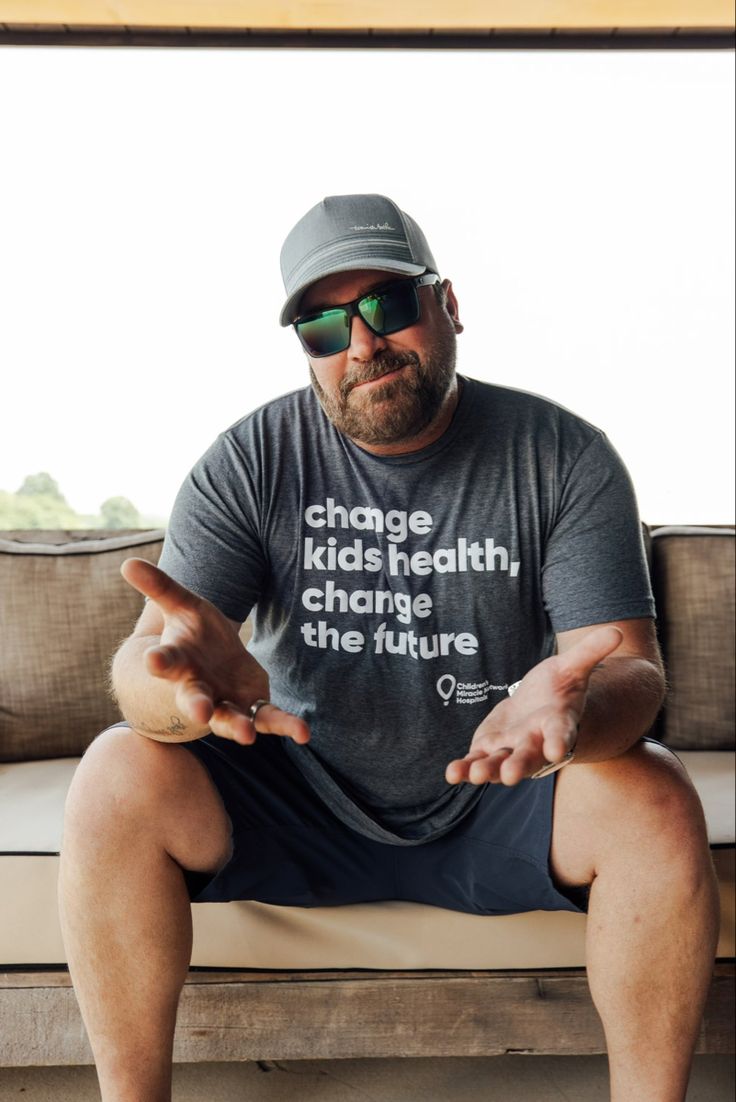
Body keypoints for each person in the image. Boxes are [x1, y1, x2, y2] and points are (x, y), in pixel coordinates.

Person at [59, 194, 719, 1102]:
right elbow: (145, 666)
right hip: (299, 794)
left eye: (389, 305)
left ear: (448, 305)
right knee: (112, 771)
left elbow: (632, 673)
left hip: (502, 794)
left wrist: (574, 710)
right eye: (322, 325)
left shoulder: (563, 456)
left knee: (656, 793)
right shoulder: (251, 460)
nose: (360, 343)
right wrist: (177, 695)